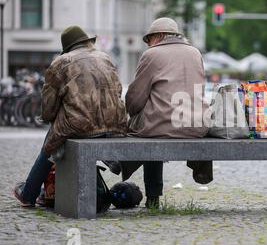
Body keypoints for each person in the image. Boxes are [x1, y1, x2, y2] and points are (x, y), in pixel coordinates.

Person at [13, 26, 128, 207]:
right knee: (64, 130)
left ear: (67, 47)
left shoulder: (61, 62)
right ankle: (108, 159)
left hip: (80, 125)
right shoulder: (106, 58)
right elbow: (118, 91)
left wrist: (50, 117)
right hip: (115, 123)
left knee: (49, 145)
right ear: (87, 42)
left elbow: (49, 105)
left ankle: (28, 194)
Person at [116, 17, 212, 209]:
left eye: (148, 40)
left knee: (148, 127)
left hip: (163, 125)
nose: (148, 45)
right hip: (197, 125)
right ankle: (119, 166)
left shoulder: (152, 55)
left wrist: (132, 112)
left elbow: (135, 97)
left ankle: (147, 192)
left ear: (158, 36)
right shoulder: (195, 53)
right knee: (155, 121)